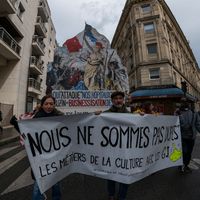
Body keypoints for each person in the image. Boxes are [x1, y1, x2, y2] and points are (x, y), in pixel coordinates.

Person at [10, 95, 63, 200]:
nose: (49, 106)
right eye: (46, 104)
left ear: (54, 105)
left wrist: (95, 116)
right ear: (42, 105)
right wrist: (17, 124)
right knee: (38, 187)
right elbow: (27, 134)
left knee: (56, 183)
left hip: (56, 157)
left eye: (51, 104)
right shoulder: (35, 118)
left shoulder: (61, 117)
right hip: (40, 159)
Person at [104, 91, 130, 200]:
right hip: (111, 151)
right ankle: (111, 194)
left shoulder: (130, 115)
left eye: (120, 98)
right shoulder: (105, 114)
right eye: (116, 98)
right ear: (112, 101)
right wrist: (96, 116)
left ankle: (121, 197)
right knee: (111, 175)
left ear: (123, 100)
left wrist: (142, 117)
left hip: (126, 151)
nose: (118, 100)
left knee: (126, 176)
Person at [178, 102, 200, 173]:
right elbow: (198, 124)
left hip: (186, 137)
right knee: (186, 152)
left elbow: (198, 124)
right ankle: (184, 165)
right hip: (186, 137)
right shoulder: (193, 113)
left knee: (185, 152)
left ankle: (183, 165)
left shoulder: (193, 113)